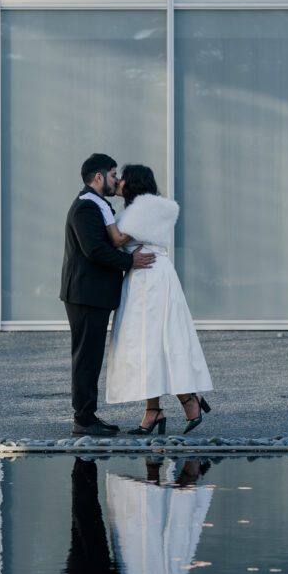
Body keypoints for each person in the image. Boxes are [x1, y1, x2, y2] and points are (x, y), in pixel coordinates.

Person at [106, 164, 213, 433]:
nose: (118, 182)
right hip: (145, 277)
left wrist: (100, 214)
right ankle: (155, 409)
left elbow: (117, 240)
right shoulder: (142, 208)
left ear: (134, 183)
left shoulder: (144, 207)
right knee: (149, 344)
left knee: (156, 341)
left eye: (123, 178)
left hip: (149, 280)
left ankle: (186, 400)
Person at [60, 153, 156, 437]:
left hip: (93, 294)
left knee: (90, 357)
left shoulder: (97, 205)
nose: (117, 181)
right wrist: (129, 261)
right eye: (113, 175)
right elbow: (94, 250)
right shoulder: (85, 207)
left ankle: (88, 416)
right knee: (86, 358)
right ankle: (83, 420)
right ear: (99, 177)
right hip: (86, 294)